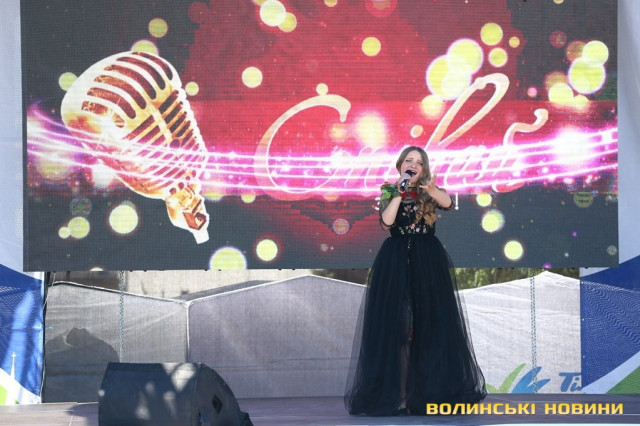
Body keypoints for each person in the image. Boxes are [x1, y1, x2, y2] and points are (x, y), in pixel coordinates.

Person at [344, 146, 486, 416]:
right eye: (408, 161)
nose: (413, 165)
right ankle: (399, 395)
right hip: (396, 263)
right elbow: (386, 223)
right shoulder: (389, 191)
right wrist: (399, 192)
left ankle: (427, 394)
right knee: (398, 329)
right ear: (400, 165)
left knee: (430, 327)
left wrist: (431, 190)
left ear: (424, 169)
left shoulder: (429, 190)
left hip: (427, 262)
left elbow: (448, 203)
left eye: (419, 162)